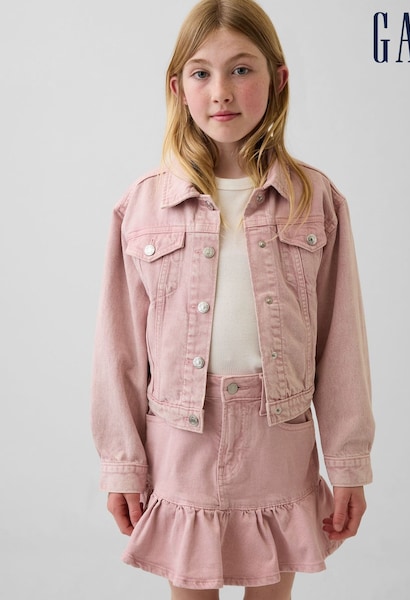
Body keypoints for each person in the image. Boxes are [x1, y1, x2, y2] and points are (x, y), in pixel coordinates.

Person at [91, 1, 375, 598]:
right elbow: (118, 350)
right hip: (181, 440)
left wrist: (347, 462)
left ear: (278, 79)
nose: (221, 90)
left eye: (242, 69)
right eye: (202, 72)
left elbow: (341, 341)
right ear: (178, 87)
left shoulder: (315, 199)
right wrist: (122, 462)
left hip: (279, 439)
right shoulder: (143, 205)